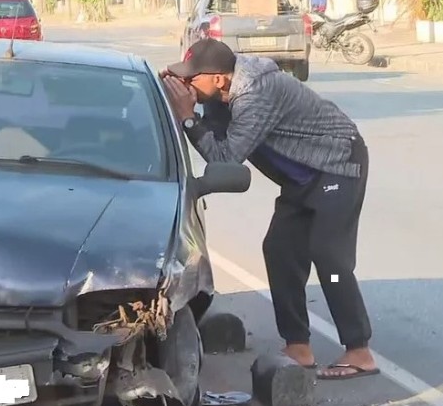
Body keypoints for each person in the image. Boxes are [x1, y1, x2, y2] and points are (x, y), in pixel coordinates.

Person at [160, 38, 378, 381]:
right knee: (279, 250)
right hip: (302, 179)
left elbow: (225, 158)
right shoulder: (221, 93)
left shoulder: (256, 94)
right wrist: (169, 93)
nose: (186, 85)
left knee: (330, 259)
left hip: (337, 166)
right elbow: (215, 137)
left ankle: (358, 349)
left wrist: (188, 119)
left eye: (191, 79)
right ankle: (298, 346)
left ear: (218, 78)